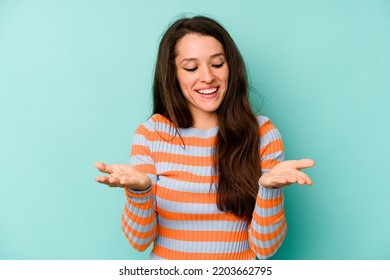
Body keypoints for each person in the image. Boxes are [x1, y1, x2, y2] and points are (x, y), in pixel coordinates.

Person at [94, 15, 315, 260]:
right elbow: (139, 240)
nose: (208, 77)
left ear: (231, 66)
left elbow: (265, 248)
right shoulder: (151, 133)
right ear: (173, 74)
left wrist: (269, 191)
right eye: (191, 67)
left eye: (218, 64)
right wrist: (140, 192)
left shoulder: (263, 134)